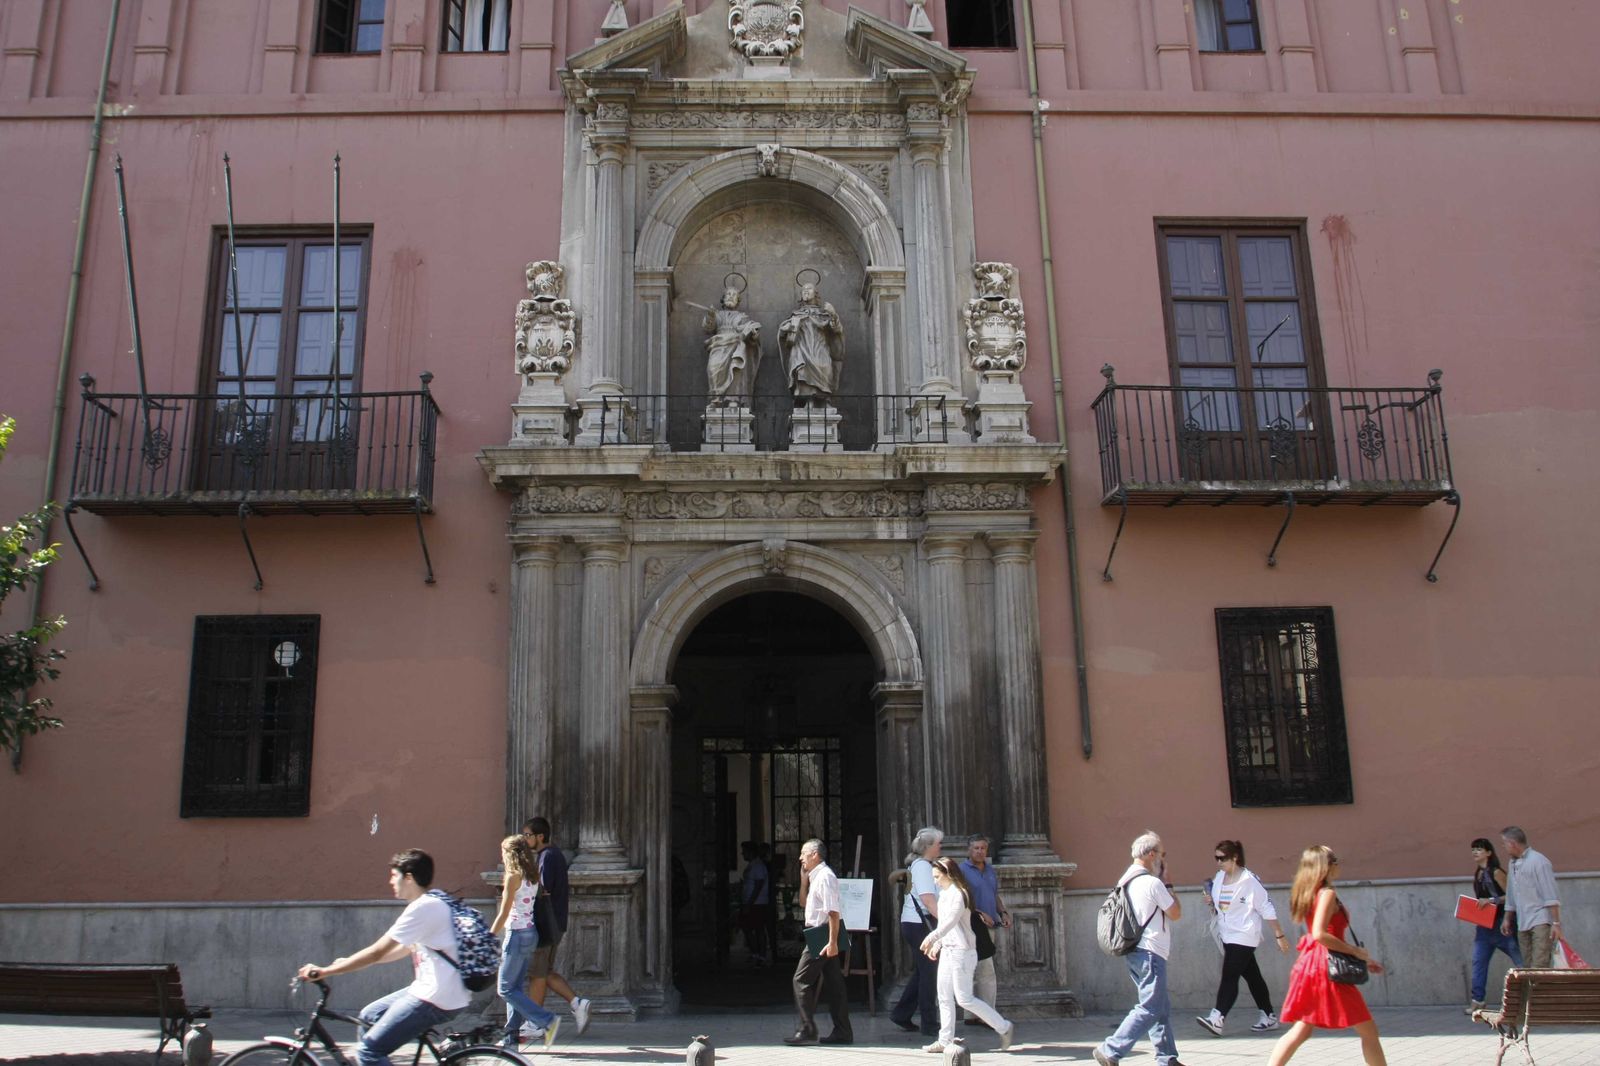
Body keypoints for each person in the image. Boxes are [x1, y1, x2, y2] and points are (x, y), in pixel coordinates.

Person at [296, 850, 468, 1066]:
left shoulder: (423, 907)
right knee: (369, 1016)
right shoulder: (434, 901)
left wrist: (325, 971)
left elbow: (377, 951)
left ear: (408, 877)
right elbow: (402, 950)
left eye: (394, 875)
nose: (390, 881)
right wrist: (347, 963)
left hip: (435, 996)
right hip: (442, 991)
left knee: (368, 1052)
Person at [1267, 845, 1387, 1066]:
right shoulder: (1327, 893)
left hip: (1312, 965)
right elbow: (1320, 934)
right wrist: (1355, 951)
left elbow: (1321, 934)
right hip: (1327, 968)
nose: (1338, 865)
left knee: (1302, 1030)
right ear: (1327, 866)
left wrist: (1363, 959)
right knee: (1369, 1031)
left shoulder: (1308, 892)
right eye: (1335, 861)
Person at [1093, 831, 1186, 1066]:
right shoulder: (1152, 883)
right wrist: (1168, 882)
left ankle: (1167, 1058)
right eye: (1162, 854)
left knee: (1159, 1006)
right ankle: (1110, 1049)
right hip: (1150, 951)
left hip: (1135, 951)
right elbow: (1175, 913)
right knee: (1150, 1006)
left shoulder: (1125, 880)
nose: (1163, 860)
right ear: (1152, 854)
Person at [919, 857, 1016, 1054]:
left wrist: (931, 938)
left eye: (937, 877)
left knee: (964, 998)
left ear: (948, 874)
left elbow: (951, 922)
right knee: (944, 996)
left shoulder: (959, 893)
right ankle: (944, 1040)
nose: (935, 881)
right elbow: (944, 923)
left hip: (962, 952)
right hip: (949, 950)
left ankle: (1004, 1026)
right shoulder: (944, 894)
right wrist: (938, 944)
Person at [1195, 838, 1287, 1037]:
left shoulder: (1249, 880)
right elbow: (1221, 905)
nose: (1219, 862)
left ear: (1235, 857)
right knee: (1253, 976)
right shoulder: (1219, 877)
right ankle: (1269, 1016)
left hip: (1245, 934)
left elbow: (1266, 906)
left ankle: (1217, 1017)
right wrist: (1211, 900)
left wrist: (1279, 934)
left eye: (1222, 858)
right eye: (1216, 858)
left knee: (1230, 974)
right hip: (1226, 933)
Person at [518, 818, 593, 1037]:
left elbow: (542, 889)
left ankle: (536, 1022)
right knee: (544, 971)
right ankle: (577, 1003)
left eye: (528, 835)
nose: (525, 839)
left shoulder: (548, 856)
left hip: (546, 923)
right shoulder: (550, 855)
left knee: (537, 974)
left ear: (540, 836)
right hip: (552, 922)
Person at [488, 835, 559, 1049]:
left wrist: (489, 936)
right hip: (531, 933)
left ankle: (547, 1020)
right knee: (515, 988)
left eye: (503, 852)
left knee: (505, 989)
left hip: (517, 934)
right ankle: (511, 1038)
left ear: (510, 854)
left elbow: (504, 912)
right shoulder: (532, 875)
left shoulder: (513, 877)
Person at [784, 839, 853, 1046]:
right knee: (835, 984)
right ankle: (843, 1031)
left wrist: (832, 942)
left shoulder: (825, 877)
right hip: (819, 934)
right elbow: (804, 903)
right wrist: (803, 882)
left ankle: (807, 1029)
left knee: (800, 980)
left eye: (803, 853)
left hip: (823, 935)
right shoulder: (816, 877)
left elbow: (833, 911)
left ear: (815, 854)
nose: (800, 858)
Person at [890, 826, 944, 1038]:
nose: (940, 847)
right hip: (919, 924)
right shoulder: (922, 867)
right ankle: (929, 1023)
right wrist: (946, 923)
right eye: (938, 843)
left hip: (916, 923)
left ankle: (901, 1014)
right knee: (929, 973)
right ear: (928, 846)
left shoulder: (922, 865)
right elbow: (928, 899)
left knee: (923, 971)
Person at [958, 835, 1012, 1022]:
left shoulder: (990, 870)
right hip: (972, 925)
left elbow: (994, 894)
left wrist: (1003, 912)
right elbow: (961, 899)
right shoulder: (962, 871)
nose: (980, 851)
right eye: (976, 848)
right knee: (981, 970)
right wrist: (980, 913)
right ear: (969, 850)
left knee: (984, 970)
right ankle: (984, 1016)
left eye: (983, 848)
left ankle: (980, 1014)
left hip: (990, 925)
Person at [1467, 837, 1523, 1014]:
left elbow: (1512, 897)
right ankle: (1478, 1001)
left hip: (1501, 924)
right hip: (1484, 925)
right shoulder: (1478, 873)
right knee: (1478, 961)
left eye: (1479, 849)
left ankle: (1536, 992)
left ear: (1489, 853)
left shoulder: (1497, 872)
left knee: (1520, 960)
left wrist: (1491, 900)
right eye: (1473, 849)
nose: (1475, 852)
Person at [1500, 826, 1562, 968]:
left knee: (1539, 965)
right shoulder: (1512, 863)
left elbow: (1551, 894)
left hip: (1541, 920)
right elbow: (1511, 893)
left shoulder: (1539, 861)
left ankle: (1540, 983)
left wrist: (1556, 923)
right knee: (1527, 967)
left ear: (1512, 843)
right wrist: (1507, 918)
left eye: (1504, 843)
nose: (1504, 847)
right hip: (1523, 921)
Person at [777, 278, 844, 406]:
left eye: (809, 288)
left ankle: (824, 400)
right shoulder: (796, 314)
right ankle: (809, 401)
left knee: (824, 367)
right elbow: (783, 333)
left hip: (820, 348)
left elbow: (836, 329)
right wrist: (787, 328)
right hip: (802, 349)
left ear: (816, 294)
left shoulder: (823, 314)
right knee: (802, 369)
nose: (806, 291)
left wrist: (833, 314)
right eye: (803, 290)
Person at [740, 840, 772, 966]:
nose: (742, 854)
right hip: (752, 902)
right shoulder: (753, 865)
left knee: (758, 929)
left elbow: (758, 886)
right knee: (748, 928)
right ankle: (755, 953)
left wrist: (750, 903)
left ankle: (761, 955)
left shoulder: (758, 866)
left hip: (757, 903)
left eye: (744, 851)